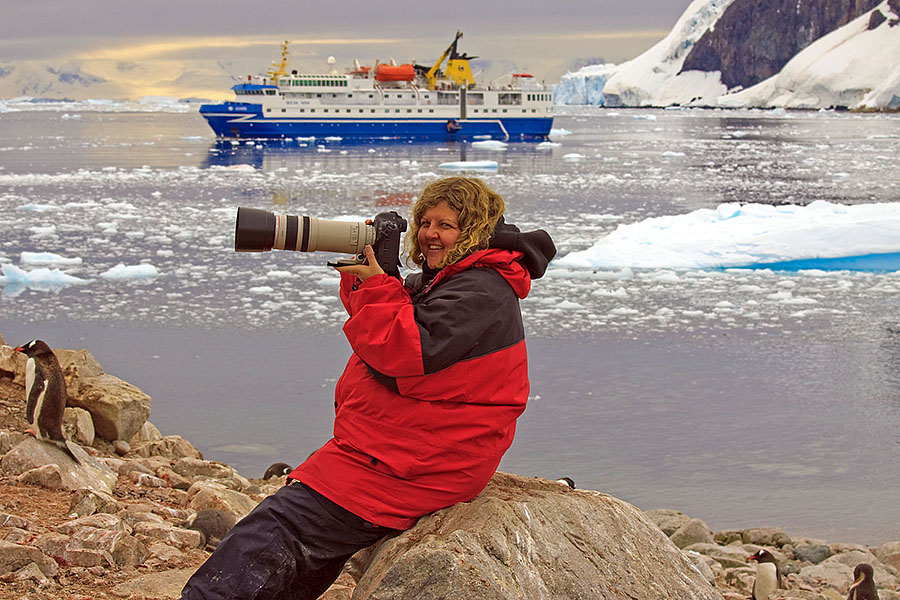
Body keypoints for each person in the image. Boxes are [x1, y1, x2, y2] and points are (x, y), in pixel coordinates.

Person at [181, 176, 556, 600]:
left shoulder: (481, 290)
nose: (432, 234)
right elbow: (400, 318)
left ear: (473, 231)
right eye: (426, 222)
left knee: (281, 527)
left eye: (447, 225)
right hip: (396, 450)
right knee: (303, 541)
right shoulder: (455, 280)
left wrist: (378, 286)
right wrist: (372, 277)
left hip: (418, 464)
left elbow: (400, 351)